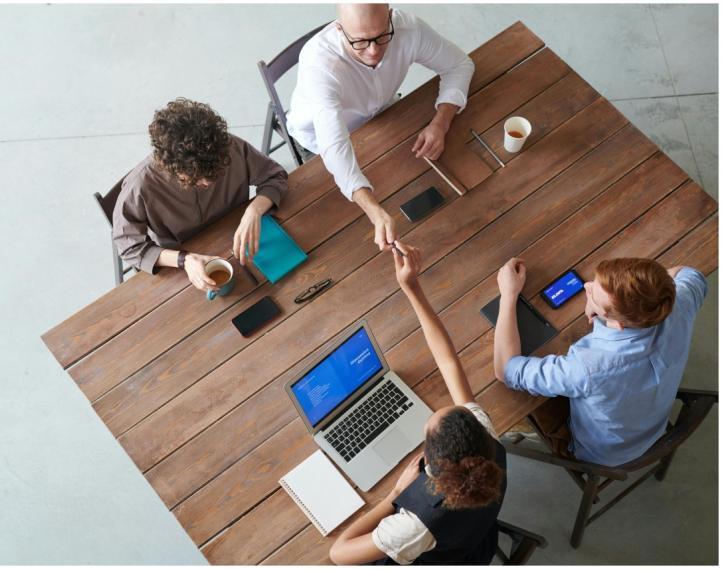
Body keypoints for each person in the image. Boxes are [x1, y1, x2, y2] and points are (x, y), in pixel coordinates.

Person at [329, 242, 506, 565]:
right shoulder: (488, 445)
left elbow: (338, 554)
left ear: (430, 466)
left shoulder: (415, 525)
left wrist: (393, 495)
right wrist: (411, 288)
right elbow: (449, 362)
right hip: (477, 540)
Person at [288, 4, 474, 252]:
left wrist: (440, 123)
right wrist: (374, 210)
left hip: (384, 114)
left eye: (381, 36)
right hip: (319, 138)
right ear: (339, 29)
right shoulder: (319, 65)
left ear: (390, 17)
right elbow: (334, 145)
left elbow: (459, 65)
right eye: (361, 42)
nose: (374, 51)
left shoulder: (408, 29)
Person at [493, 257, 708, 466]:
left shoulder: (587, 367)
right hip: (652, 426)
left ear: (617, 323)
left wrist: (509, 295)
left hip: (599, 454)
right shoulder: (679, 305)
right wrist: (644, 294)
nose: (586, 285)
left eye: (593, 294)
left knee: (509, 405)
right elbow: (690, 273)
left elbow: (506, 369)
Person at [112, 98, 288, 292]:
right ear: (171, 166)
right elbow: (128, 246)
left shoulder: (229, 147)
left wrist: (254, 210)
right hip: (184, 271)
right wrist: (183, 260)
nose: (208, 182)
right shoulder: (140, 186)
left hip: (243, 246)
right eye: (197, 177)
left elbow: (275, 175)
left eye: (215, 172)